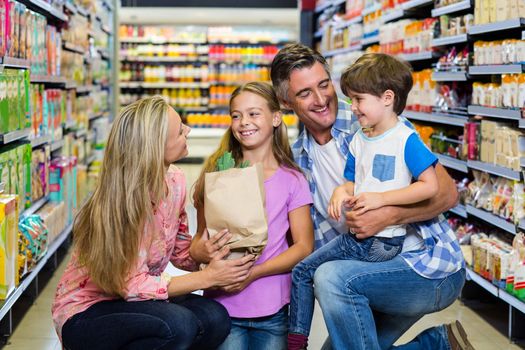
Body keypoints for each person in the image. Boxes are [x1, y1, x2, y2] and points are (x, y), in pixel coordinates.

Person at [270, 43, 471, 350]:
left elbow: (447, 194)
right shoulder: (296, 162)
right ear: (285, 102)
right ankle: (438, 343)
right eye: (305, 93)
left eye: (324, 85)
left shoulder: (374, 119)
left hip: (424, 263)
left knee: (330, 277)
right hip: (364, 269)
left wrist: (391, 215)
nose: (322, 98)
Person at [52, 96, 256, 350]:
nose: (188, 131)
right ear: (155, 146)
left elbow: (180, 252)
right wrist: (207, 278)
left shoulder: (175, 181)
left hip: (135, 303)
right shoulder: (120, 203)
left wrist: (203, 253)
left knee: (215, 317)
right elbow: (129, 285)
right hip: (87, 311)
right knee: (177, 325)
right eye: (180, 130)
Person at [191, 82, 314, 349]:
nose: (244, 122)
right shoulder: (216, 176)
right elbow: (197, 245)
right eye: (236, 115)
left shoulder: (293, 180)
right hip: (222, 307)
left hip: (273, 308)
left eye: (254, 113)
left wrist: (255, 273)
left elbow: (304, 247)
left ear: (276, 118)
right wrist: (204, 251)